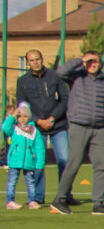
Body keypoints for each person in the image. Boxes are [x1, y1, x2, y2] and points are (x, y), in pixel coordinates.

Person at [49, 51, 104, 215]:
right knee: (74, 163)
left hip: (100, 128)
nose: (93, 65)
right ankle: (60, 199)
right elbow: (59, 72)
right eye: (90, 62)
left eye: (96, 62)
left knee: (101, 165)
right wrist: (81, 60)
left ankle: (98, 204)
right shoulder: (77, 77)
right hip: (79, 125)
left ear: (100, 64)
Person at [15, 49, 69, 206]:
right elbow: (22, 105)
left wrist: (52, 118)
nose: (35, 62)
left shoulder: (55, 76)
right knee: (37, 162)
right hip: (36, 128)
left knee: (64, 160)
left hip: (58, 125)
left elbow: (65, 99)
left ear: (42, 59)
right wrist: (38, 121)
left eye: (37, 59)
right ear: (28, 62)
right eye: (32, 60)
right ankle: (38, 196)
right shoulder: (22, 81)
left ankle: (64, 195)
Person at [3, 102, 44, 209]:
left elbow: (39, 148)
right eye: (20, 116)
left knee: (30, 182)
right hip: (15, 160)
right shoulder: (14, 129)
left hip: (29, 161)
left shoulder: (34, 131)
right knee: (12, 181)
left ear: (29, 117)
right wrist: (12, 116)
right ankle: (10, 201)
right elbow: (4, 127)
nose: (22, 118)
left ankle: (32, 200)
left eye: (25, 116)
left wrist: (39, 164)